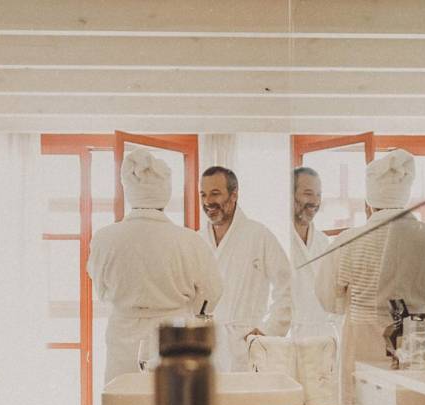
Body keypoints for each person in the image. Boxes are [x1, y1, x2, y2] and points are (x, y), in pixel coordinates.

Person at [315, 149, 425, 403]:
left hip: (363, 344)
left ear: (369, 204)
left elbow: (328, 300)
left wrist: (357, 300)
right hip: (414, 340)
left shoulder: (348, 241)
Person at [88, 149, 222, 383]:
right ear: (165, 193)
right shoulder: (190, 241)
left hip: (122, 341)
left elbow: (100, 288)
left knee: (123, 401)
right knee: (173, 402)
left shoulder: (104, 238)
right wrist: (186, 306)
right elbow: (212, 293)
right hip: (175, 340)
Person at [199, 166, 292, 371]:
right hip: (206, 347)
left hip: (247, 345)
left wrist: (267, 331)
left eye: (215, 193)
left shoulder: (259, 235)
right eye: (203, 194)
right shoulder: (197, 240)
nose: (207, 201)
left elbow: (288, 287)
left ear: (234, 195)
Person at [290, 167, 334, 327]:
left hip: (320, 333)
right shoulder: (276, 237)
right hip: (284, 334)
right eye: (308, 193)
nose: (315, 201)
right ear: (290, 195)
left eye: (319, 195)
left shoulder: (323, 241)